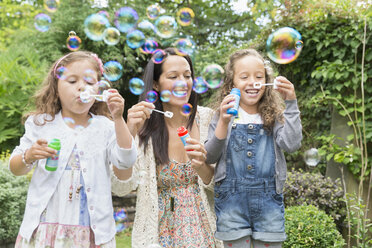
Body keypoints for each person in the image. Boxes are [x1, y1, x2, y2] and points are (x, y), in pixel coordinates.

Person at [9, 51, 137, 248]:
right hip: (45, 228)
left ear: (98, 89)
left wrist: (119, 118)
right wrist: (29, 155)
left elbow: (125, 161)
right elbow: (15, 167)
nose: (81, 87)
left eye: (89, 81)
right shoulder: (41, 124)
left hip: (92, 231)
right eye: (72, 81)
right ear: (56, 88)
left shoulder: (106, 127)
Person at [111, 48, 223, 248]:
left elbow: (225, 183)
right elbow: (121, 186)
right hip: (160, 235)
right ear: (156, 84)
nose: (182, 82)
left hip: (206, 232)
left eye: (187, 76)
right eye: (173, 76)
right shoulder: (142, 127)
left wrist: (203, 168)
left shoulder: (209, 120)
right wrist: (128, 133)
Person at [204, 49, 302, 248]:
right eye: (244, 76)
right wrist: (223, 122)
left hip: (269, 203)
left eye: (259, 76)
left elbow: (291, 144)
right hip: (232, 203)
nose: (253, 82)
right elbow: (210, 156)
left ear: (267, 82)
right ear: (232, 83)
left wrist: (291, 102)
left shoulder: (274, 115)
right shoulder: (223, 115)